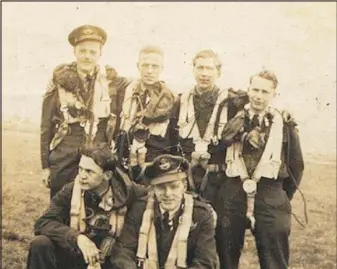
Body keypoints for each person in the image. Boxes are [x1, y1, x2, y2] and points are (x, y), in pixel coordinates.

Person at [216, 70, 304, 269]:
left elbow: (296, 166)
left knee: (274, 257)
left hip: (270, 193)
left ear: (274, 94)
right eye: (255, 89)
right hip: (233, 190)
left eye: (265, 91)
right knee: (226, 255)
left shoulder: (284, 124)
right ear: (248, 90)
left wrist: (280, 195)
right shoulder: (231, 119)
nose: (258, 96)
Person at [27, 143, 148, 269]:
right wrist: (77, 238)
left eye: (89, 171)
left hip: (109, 259)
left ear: (107, 176)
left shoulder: (127, 190)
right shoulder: (71, 190)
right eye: (80, 169)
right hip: (76, 255)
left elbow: (150, 195)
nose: (82, 176)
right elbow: (43, 222)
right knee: (40, 244)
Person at [40, 25, 121, 198]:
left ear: (100, 54)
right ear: (74, 52)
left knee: (94, 207)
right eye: (82, 51)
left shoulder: (111, 83)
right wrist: (45, 166)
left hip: (97, 156)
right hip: (64, 156)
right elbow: (46, 126)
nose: (87, 56)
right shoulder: (58, 82)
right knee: (61, 204)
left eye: (93, 52)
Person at [111, 154, 220, 269]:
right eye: (161, 187)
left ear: (184, 186)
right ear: (153, 189)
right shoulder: (140, 209)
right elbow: (123, 250)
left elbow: (205, 262)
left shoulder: (201, 214)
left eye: (174, 187)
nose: (168, 194)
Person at [170, 49, 248, 206]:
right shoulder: (182, 101)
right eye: (200, 68)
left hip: (218, 177)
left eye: (209, 68)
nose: (204, 73)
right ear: (193, 70)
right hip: (188, 175)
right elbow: (172, 138)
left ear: (218, 72)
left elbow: (255, 107)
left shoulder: (232, 102)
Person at [114, 45, 175, 182]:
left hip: (154, 161)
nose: (149, 71)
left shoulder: (170, 98)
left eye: (155, 66)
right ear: (138, 66)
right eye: (145, 65)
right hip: (125, 158)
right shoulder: (125, 92)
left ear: (162, 69)